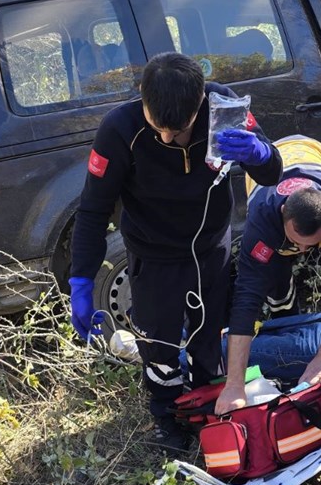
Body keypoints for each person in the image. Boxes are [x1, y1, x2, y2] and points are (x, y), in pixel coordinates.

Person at [68, 52, 283, 450]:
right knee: (159, 345)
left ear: (201, 99)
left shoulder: (225, 109)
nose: (168, 138)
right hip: (153, 254)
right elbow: (94, 208)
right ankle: (167, 418)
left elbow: (272, 173)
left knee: (207, 339)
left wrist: (260, 154)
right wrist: (81, 279)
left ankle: (208, 406)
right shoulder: (119, 130)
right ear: (142, 97)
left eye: (179, 129)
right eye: (159, 127)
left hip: (210, 249)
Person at [215, 136, 321, 415]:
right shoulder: (262, 220)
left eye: (311, 244)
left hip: (316, 152)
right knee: (275, 279)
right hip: (273, 167)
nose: (303, 251)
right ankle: (285, 318)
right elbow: (246, 300)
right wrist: (233, 386)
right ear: (282, 214)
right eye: (296, 242)